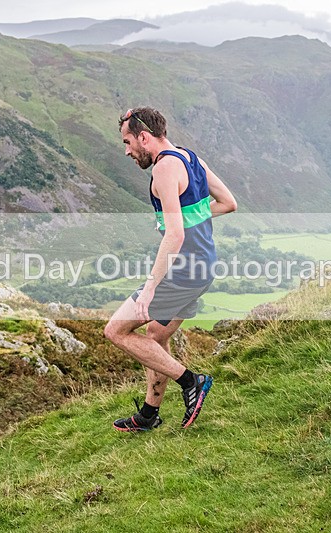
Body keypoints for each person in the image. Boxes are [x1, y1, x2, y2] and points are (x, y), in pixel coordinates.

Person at [104, 107, 237, 431]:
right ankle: (149, 414)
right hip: (203, 267)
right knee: (156, 334)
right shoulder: (191, 159)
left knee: (115, 330)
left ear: (144, 137)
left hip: (183, 272)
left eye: (128, 142)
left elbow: (176, 234)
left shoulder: (164, 169)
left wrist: (150, 287)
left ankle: (192, 381)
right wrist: (186, 218)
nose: (127, 151)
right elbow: (228, 202)